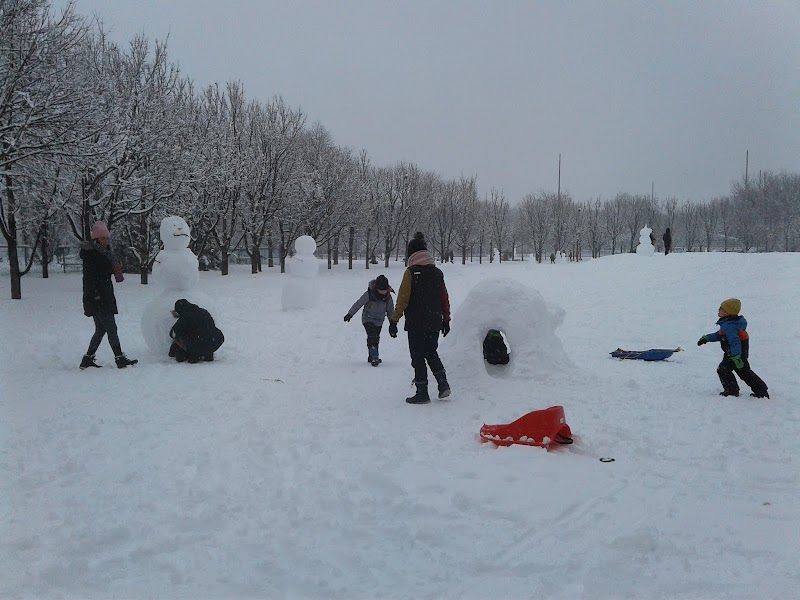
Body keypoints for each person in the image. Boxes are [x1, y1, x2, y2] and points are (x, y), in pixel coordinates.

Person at [388, 232, 451, 404]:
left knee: (417, 357)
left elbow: (403, 298)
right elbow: (444, 297)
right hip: (434, 321)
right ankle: (443, 384)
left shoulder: (411, 272)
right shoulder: (437, 273)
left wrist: (394, 320)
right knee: (431, 353)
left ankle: (422, 392)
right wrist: (446, 319)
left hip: (416, 323)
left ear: (411, 254)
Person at [79, 221, 138, 369]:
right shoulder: (92, 256)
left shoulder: (105, 254)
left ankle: (87, 359)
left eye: (107, 238)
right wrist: (96, 296)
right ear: (96, 239)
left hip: (102, 295)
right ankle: (119, 358)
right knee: (111, 328)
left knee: (100, 329)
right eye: (103, 238)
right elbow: (90, 279)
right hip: (98, 298)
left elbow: (106, 272)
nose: (106, 241)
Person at [697, 298, 769, 398]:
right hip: (733, 353)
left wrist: (736, 356)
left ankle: (735, 390)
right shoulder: (729, 323)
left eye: (721, 309)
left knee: (728, 370)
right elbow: (720, 335)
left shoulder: (730, 326)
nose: (718, 310)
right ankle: (759, 390)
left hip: (736, 354)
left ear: (727, 312)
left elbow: (735, 341)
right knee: (741, 371)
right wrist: (707, 338)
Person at [344, 274, 394, 366]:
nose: (383, 292)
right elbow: (358, 303)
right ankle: (375, 356)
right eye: (381, 290)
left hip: (379, 320)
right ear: (376, 288)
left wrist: (392, 323)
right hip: (368, 318)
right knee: (372, 336)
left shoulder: (388, 297)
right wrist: (350, 314)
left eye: (385, 290)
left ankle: (371, 355)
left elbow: (390, 310)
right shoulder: (369, 294)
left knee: (376, 337)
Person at [169, 299, 225, 363]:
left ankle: (195, 355)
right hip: (215, 341)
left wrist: (173, 350)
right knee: (202, 335)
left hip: (198, 344)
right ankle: (206, 353)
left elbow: (173, 332)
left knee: (180, 354)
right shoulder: (203, 311)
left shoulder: (185, 317)